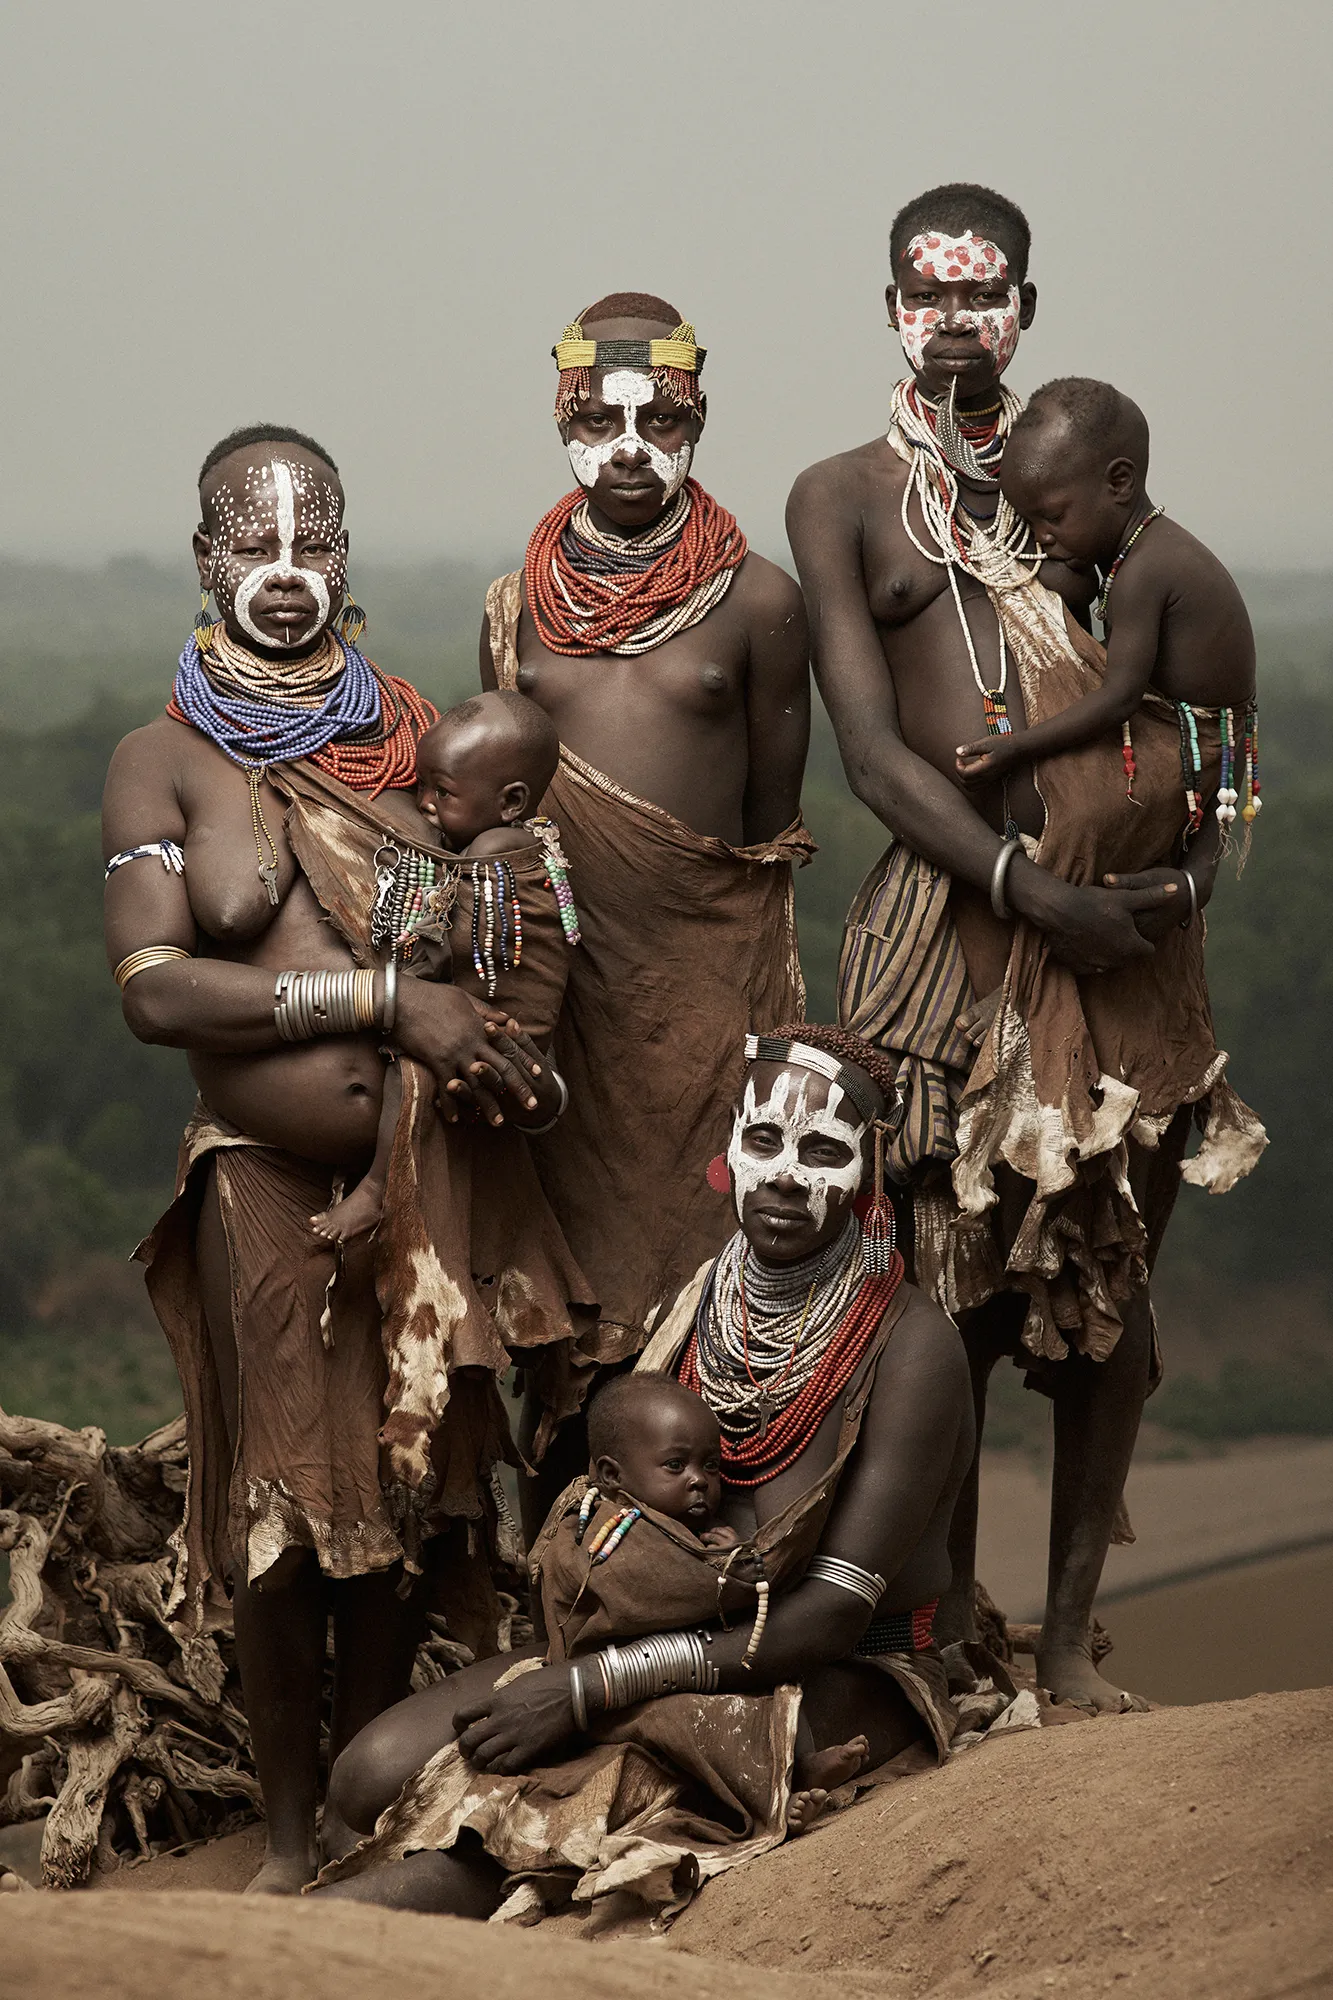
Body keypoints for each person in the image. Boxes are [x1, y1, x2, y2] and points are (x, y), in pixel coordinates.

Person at [785, 185, 1265, 1711]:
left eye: (981, 296)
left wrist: (1190, 881)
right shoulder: (843, 497)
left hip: (1128, 949)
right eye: (924, 298)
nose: (952, 324)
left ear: (1024, 313)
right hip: (949, 938)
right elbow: (870, 758)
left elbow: (1217, 729)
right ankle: (954, 1636)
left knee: (1107, 1295)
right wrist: (1019, 883)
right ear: (887, 315)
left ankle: (1064, 1647)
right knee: (945, 1299)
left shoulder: (1085, 483)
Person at [103, 426, 592, 1893]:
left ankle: (379, 1807)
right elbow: (150, 991)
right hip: (263, 1173)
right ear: (206, 559)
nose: (285, 574)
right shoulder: (162, 761)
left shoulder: (421, 744)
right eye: (253, 546)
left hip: (429, 1179)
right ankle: (289, 1828)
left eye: (312, 542)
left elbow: (513, 913)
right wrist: (382, 999)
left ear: (345, 551)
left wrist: (499, 1033)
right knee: (287, 1511)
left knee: (415, 1481)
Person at [310, 1026, 981, 1922]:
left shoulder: (914, 1347)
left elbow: (829, 1614)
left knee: (527, 1828)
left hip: (830, 1674)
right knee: (364, 1782)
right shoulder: (701, 1300)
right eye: (764, 1140)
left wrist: (591, 1689)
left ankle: (288, 1953)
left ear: (866, 1172)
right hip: (643, 1641)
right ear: (729, 1150)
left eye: (822, 1150)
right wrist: (586, 1655)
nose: (784, 1175)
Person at [480, 293, 812, 1489]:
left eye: (658, 420)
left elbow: (767, 836)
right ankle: (572, 1564)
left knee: (710, 1268)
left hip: (705, 999)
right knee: (566, 1289)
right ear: (559, 419)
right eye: (598, 420)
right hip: (564, 992)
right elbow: (504, 810)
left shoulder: (764, 603)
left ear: (699, 418)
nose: (628, 446)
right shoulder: (517, 601)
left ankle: (713, 1558)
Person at [545, 1373, 871, 1830]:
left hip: (683, 1669)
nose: (699, 1481)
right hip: (616, 1694)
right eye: (676, 1466)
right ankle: (767, 1802)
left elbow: (691, 1577)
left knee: (774, 1684)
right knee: (693, 1725)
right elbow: (654, 1590)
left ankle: (800, 1764)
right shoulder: (604, 1528)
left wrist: (729, 1551)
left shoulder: (685, 1528)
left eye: (712, 1467)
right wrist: (732, 1576)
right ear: (612, 1475)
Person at [310, 688, 568, 1246]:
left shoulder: (491, 853)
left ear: (512, 801)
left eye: (442, 792)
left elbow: (463, 951)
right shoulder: (533, 843)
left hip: (496, 1035)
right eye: (420, 786)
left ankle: (378, 1189)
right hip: (513, 1036)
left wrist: (401, 991)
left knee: (415, 1071)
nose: (424, 803)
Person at [954, 378, 1259, 825]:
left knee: (1078, 816)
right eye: (1030, 521)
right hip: (1208, 750)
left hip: (1196, 754)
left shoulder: (1144, 571)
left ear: (1119, 482)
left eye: (1053, 516)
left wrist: (1015, 747)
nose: (1042, 537)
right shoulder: (1145, 551)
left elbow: (1118, 699)